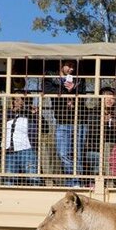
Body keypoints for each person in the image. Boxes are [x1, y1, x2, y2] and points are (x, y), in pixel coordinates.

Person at [43, 59, 87, 187]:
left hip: (79, 121)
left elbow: (83, 93)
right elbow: (47, 90)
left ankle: (76, 183)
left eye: (73, 66)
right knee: (63, 153)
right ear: (61, 65)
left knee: (77, 154)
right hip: (62, 121)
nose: (71, 69)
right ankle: (72, 181)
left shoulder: (79, 79)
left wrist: (74, 89)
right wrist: (64, 89)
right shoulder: (51, 77)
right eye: (69, 66)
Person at [1, 93, 42, 186]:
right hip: (9, 152)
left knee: (33, 178)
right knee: (9, 180)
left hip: (26, 150)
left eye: (19, 100)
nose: (17, 102)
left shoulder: (29, 115)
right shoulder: (7, 114)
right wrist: (12, 111)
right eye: (15, 100)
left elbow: (45, 127)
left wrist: (35, 114)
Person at [86, 87, 116, 175]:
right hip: (95, 149)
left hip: (113, 151)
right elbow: (92, 133)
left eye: (112, 97)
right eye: (106, 97)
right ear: (100, 98)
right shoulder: (93, 113)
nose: (109, 100)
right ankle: (95, 183)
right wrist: (103, 123)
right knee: (100, 161)